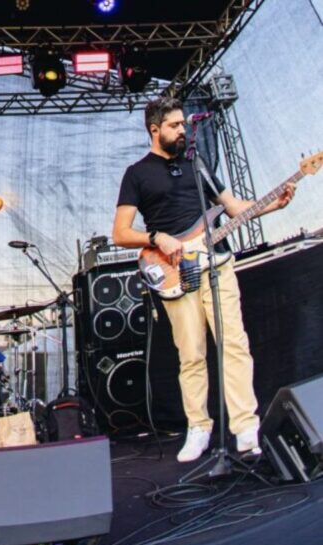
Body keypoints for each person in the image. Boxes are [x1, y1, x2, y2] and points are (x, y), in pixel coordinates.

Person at [112, 97, 295, 462]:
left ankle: (245, 427)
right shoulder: (137, 174)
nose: (182, 130)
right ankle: (198, 427)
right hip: (174, 270)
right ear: (155, 129)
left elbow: (234, 208)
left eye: (183, 124)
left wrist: (273, 204)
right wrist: (156, 238)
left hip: (218, 263)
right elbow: (120, 232)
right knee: (191, 354)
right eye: (174, 126)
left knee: (234, 344)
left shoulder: (198, 164)